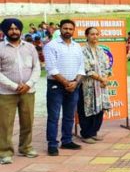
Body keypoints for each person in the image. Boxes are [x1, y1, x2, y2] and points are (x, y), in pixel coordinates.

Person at [0, 18, 40, 164]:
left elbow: (37, 67)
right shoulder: (0, 48)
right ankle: (4, 152)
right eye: (10, 29)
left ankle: (26, 147)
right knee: (5, 123)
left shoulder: (29, 47)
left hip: (28, 92)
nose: (14, 31)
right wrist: (14, 86)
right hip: (6, 93)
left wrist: (29, 84)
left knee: (27, 121)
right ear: (4, 31)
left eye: (17, 28)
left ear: (20, 30)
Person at [43, 19, 85, 156]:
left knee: (69, 116)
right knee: (54, 116)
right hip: (56, 85)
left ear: (74, 30)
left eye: (70, 29)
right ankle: (52, 144)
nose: (68, 31)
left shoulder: (77, 46)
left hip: (74, 85)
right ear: (60, 29)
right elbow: (51, 69)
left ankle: (67, 140)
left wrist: (75, 82)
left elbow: (81, 67)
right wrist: (66, 83)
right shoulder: (51, 46)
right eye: (65, 28)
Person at [77, 27, 112, 144]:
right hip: (87, 85)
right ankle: (86, 134)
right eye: (92, 34)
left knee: (99, 109)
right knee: (86, 109)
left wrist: (105, 78)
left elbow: (107, 66)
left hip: (101, 85)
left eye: (97, 34)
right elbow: (86, 69)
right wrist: (101, 78)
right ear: (86, 36)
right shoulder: (82, 51)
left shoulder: (100, 50)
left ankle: (94, 132)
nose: (95, 36)